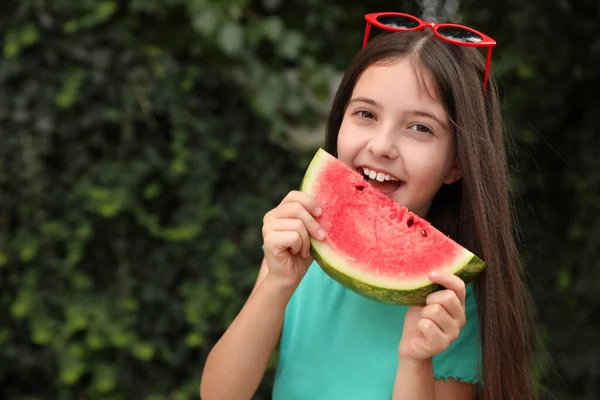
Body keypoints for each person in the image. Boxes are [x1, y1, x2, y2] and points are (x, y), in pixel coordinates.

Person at [200, 11, 537, 400]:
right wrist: (277, 283)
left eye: (420, 128)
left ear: (458, 163)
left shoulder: (453, 305)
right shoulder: (300, 244)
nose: (381, 146)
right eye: (366, 114)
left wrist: (416, 359)